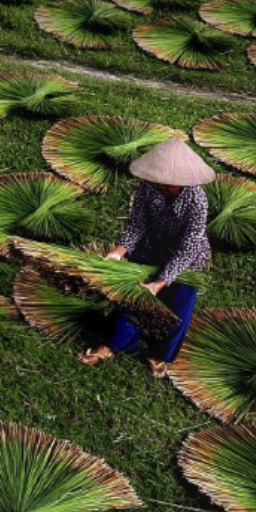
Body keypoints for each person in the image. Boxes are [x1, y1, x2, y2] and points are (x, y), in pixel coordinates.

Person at [78, 138, 214, 378]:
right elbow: (137, 226)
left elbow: (188, 248)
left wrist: (159, 283)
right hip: (150, 250)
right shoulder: (146, 188)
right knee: (132, 300)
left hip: (186, 261)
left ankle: (160, 354)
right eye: (160, 181)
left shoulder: (197, 201)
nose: (163, 186)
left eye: (169, 184)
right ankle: (115, 344)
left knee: (178, 311)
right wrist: (119, 252)